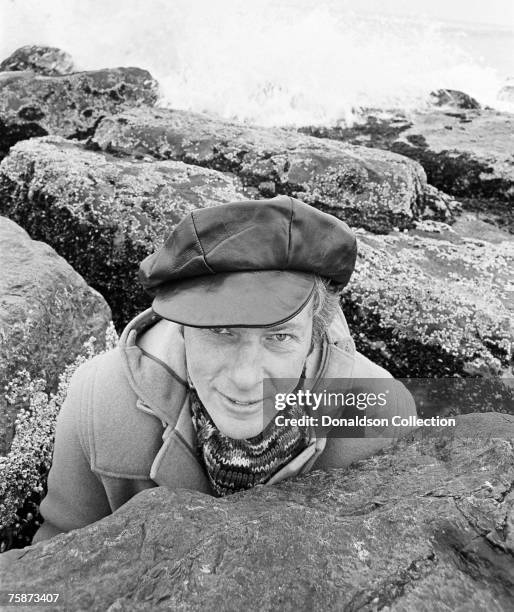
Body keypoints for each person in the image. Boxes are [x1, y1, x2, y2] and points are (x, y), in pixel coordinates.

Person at [33, 195, 417, 543]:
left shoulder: (382, 413)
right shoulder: (97, 397)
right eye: (220, 332)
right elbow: (47, 569)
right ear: (182, 329)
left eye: (279, 337)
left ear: (314, 333)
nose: (247, 378)